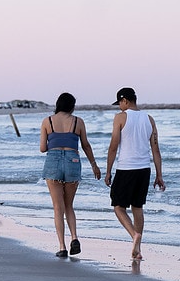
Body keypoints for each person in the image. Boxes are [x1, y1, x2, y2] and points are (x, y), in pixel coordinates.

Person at [104, 87, 165, 261]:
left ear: (125, 100)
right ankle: (138, 250)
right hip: (144, 169)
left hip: (126, 168)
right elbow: (156, 149)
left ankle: (134, 236)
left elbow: (113, 146)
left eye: (119, 103)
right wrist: (159, 175)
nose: (119, 107)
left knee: (118, 206)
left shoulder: (120, 118)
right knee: (137, 207)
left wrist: (108, 171)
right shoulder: (149, 119)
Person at [40, 92, 101, 257]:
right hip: (73, 161)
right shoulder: (78, 122)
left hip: (53, 161)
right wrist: (94, 165)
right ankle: (74, 237)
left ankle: (62, 247)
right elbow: (86, 145)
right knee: (69, 206)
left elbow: (42, 148)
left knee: (58, 207)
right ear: (72, 106)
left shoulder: (48, 121)